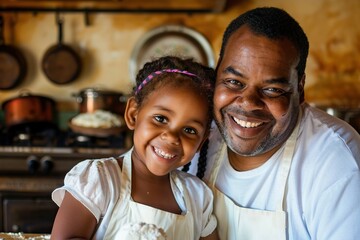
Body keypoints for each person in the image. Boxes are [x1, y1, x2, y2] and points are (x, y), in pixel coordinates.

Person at [188, 6, 360, 240]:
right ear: (216, 75)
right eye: (234, 82)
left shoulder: (337, 161)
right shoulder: (192, 133)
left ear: (299, 88)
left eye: (272, 90)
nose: (248, 103)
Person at [51, 56, 219, 240]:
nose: (171, 137)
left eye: (189, 130)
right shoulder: (100, 180)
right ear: (133, 114)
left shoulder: (197, 196)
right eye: (161, 118)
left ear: (201, 143)